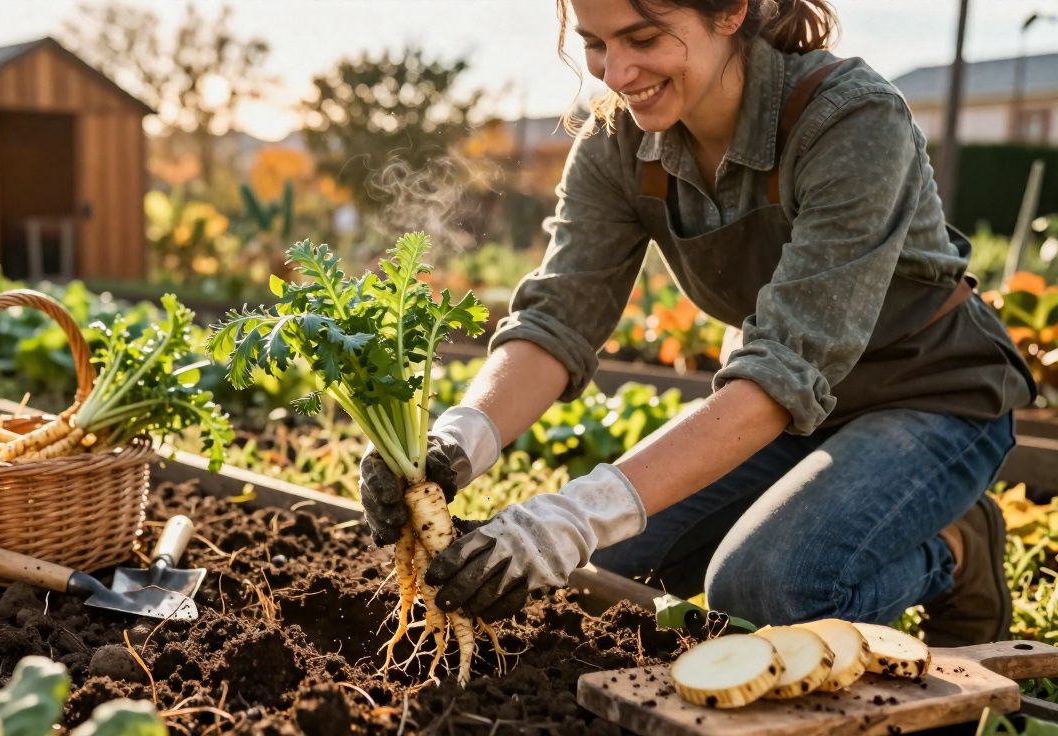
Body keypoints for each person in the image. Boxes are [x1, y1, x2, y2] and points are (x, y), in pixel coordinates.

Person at [357, 0, 1036, 646]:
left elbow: (783, 369)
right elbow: (558, 318)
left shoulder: (850, 120)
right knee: (619, 566)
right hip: (786, 414)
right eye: (596, 44)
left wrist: (571, 516)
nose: (617, 75)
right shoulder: (616, 143)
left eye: (644, 39)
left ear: (731, 12)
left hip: (928, 399)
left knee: (764, 588)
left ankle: (955, 549)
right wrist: (458, 438)